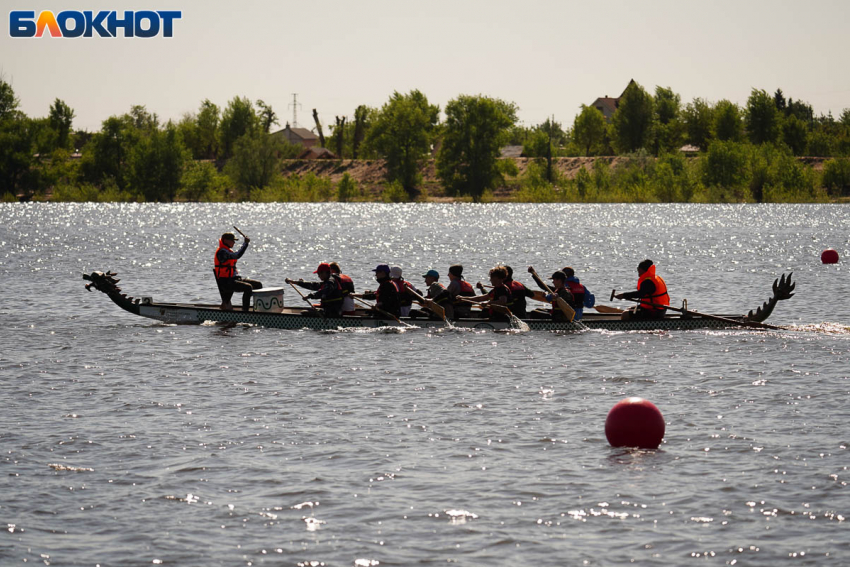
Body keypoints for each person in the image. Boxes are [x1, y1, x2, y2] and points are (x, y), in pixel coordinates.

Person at [214, 231, 263, 312]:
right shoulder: (222, 252)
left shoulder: (227, 250)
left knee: (258, 284)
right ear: (226, 240)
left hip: (233, 280)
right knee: (248, 287)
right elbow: (237, 255)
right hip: (226, 282)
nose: (234, 242)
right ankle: (245, 312)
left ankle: (258, 309)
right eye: (232, 240)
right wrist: (245, 244)